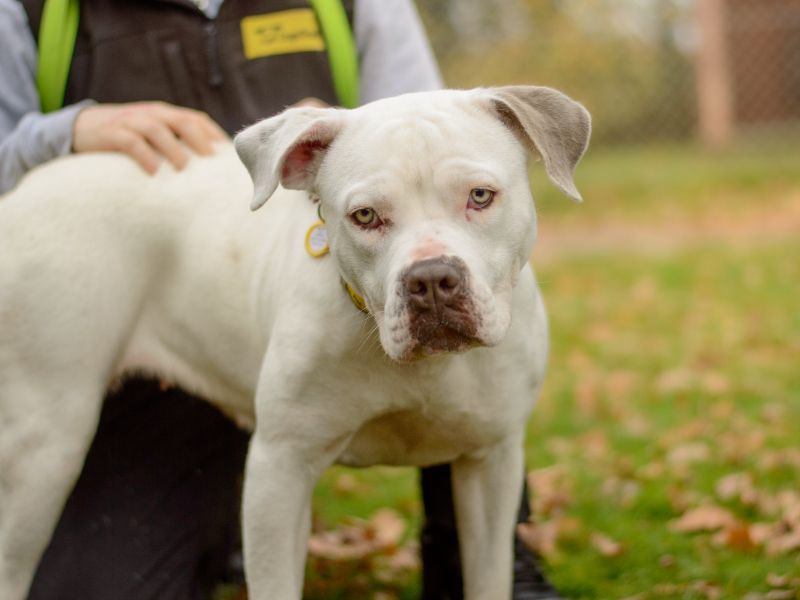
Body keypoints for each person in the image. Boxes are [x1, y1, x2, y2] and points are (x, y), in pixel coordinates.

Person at [0, 1, 561, 598]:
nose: (428, 271)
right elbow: (284, 462)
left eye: (479, 196)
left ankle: (479, 564)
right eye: (369, 214)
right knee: (70, 536)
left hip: (285, 246)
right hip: (107, 254)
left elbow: (431, 121)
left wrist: (357, 140)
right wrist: (60, 131)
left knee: (489, 429)